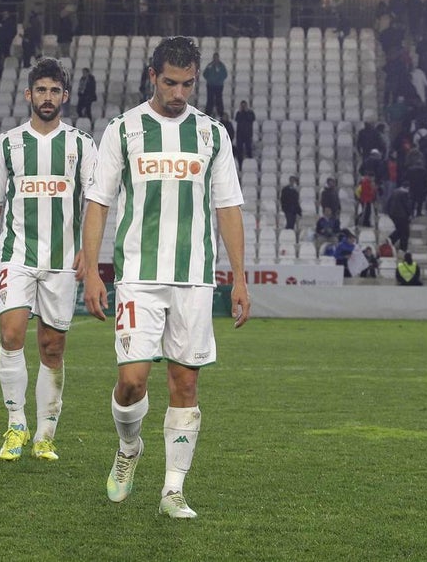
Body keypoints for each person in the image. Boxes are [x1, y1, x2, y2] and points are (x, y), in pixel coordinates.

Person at [82, 36, 250, 519]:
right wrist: (92, 271)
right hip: (137, 275)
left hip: (194, 278)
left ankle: (173, 489)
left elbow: (228, 207)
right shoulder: (123, 130)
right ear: (152, 76)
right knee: (132, 382)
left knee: (184, 383)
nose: (179, 93)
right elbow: (99, 205)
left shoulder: (213, 134)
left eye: (188, 84)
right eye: (171, 82)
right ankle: (128, 447)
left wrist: (239, 278)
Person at [0, 58, 98, 463]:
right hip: (16, 256)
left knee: (52, 347)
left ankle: (45, 433)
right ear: (29, 94)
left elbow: (96, 202)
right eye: (41, 90)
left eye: (54, 91)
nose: (47, 97)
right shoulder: (7, 143)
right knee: (10, 334)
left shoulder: (81, 144)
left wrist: (88, 255)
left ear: (65, 96)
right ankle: (15, 425)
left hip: (61, 261)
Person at [201, 52, 228, 118]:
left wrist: (219, 80)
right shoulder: (210, 65)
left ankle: (220, 113)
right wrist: (209, 79)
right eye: (214, 57)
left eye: (217, 57)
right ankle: (208, 113)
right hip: (210, 85)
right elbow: (204, 74)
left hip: (219, 86)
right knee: (210, 100)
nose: (216, 59)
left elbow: (225, 74)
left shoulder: (221, 66)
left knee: (219, 99)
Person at [233, 100, 255, 167]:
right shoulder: (239, 113)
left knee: (249, 149)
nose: (243, 107)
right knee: (240, 150)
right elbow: (236, 119)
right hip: (240, 134)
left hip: (248, 134)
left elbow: (252, 118)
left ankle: (250, 163)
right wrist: (241, 111)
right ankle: (240, 164)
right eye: (242, 105)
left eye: (244, 105)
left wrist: (246, 111)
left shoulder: (250, 113)